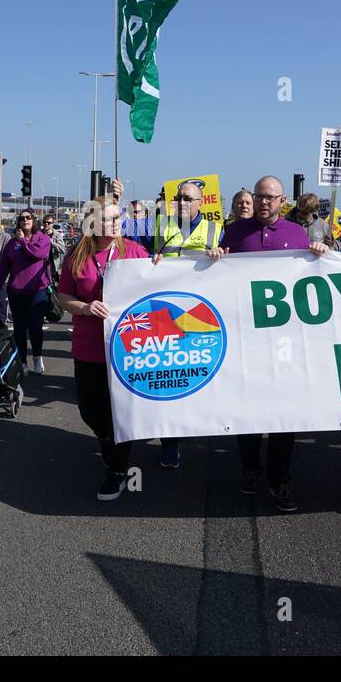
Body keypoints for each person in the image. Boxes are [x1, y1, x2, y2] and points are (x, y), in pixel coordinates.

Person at [209, 175, 328, 512]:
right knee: (247, 408)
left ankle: (280, 479)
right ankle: (250, 468)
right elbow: (217, 277)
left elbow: (313, 277)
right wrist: (215, 256)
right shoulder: (234, 232)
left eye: (271, 198)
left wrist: (319, 252)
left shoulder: (296, 233)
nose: (264, 202)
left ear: (281, 201)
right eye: (260, 196)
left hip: (285, 341)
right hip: (244, 337)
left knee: (283, 414)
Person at [56, 192, 151, 501]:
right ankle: (110, 443)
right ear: (91, 222)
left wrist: (161, 267)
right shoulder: (76, 256)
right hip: (89, 346)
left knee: (120, 410)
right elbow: (64, 298)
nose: (115, 222)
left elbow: (157, 289)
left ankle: (118, 468)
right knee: (90, 410)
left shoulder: (135, 251)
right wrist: (84, 308)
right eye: (108, 217)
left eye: (118, 217)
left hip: (127, 348)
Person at [147, 177, 223, 469]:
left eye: (186, 199)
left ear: (200, 203)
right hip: (165, 311)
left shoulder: (217, 229)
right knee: (169, 381)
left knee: (198, 374)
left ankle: (197, 429)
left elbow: (233, 264)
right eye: (178, 198)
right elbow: (134, 251)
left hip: (201, 313)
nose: (180, 203)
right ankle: (170, 442)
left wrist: (221, 255)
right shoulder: (160, 225)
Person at [0, 209, 53, 375]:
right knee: (19, 329)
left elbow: (37, 254)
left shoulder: (43, 238)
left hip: (38, 290)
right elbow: (2, 269)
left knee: (35, 327)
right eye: (22, 218)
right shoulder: (12, 243)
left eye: (28, 217)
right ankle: (22, 362)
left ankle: (37, 357)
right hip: (17, 292)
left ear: (34, 220)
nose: (25, 220)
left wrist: (23, 241)